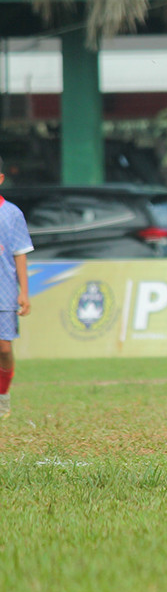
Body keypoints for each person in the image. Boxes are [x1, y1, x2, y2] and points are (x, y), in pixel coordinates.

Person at [0, 156, 33, 419]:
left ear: (0, 179)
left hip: (5, 291)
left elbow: (20, 253)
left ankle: (3, 396)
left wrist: (24, 291)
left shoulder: (11, 213)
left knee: (4, 349)